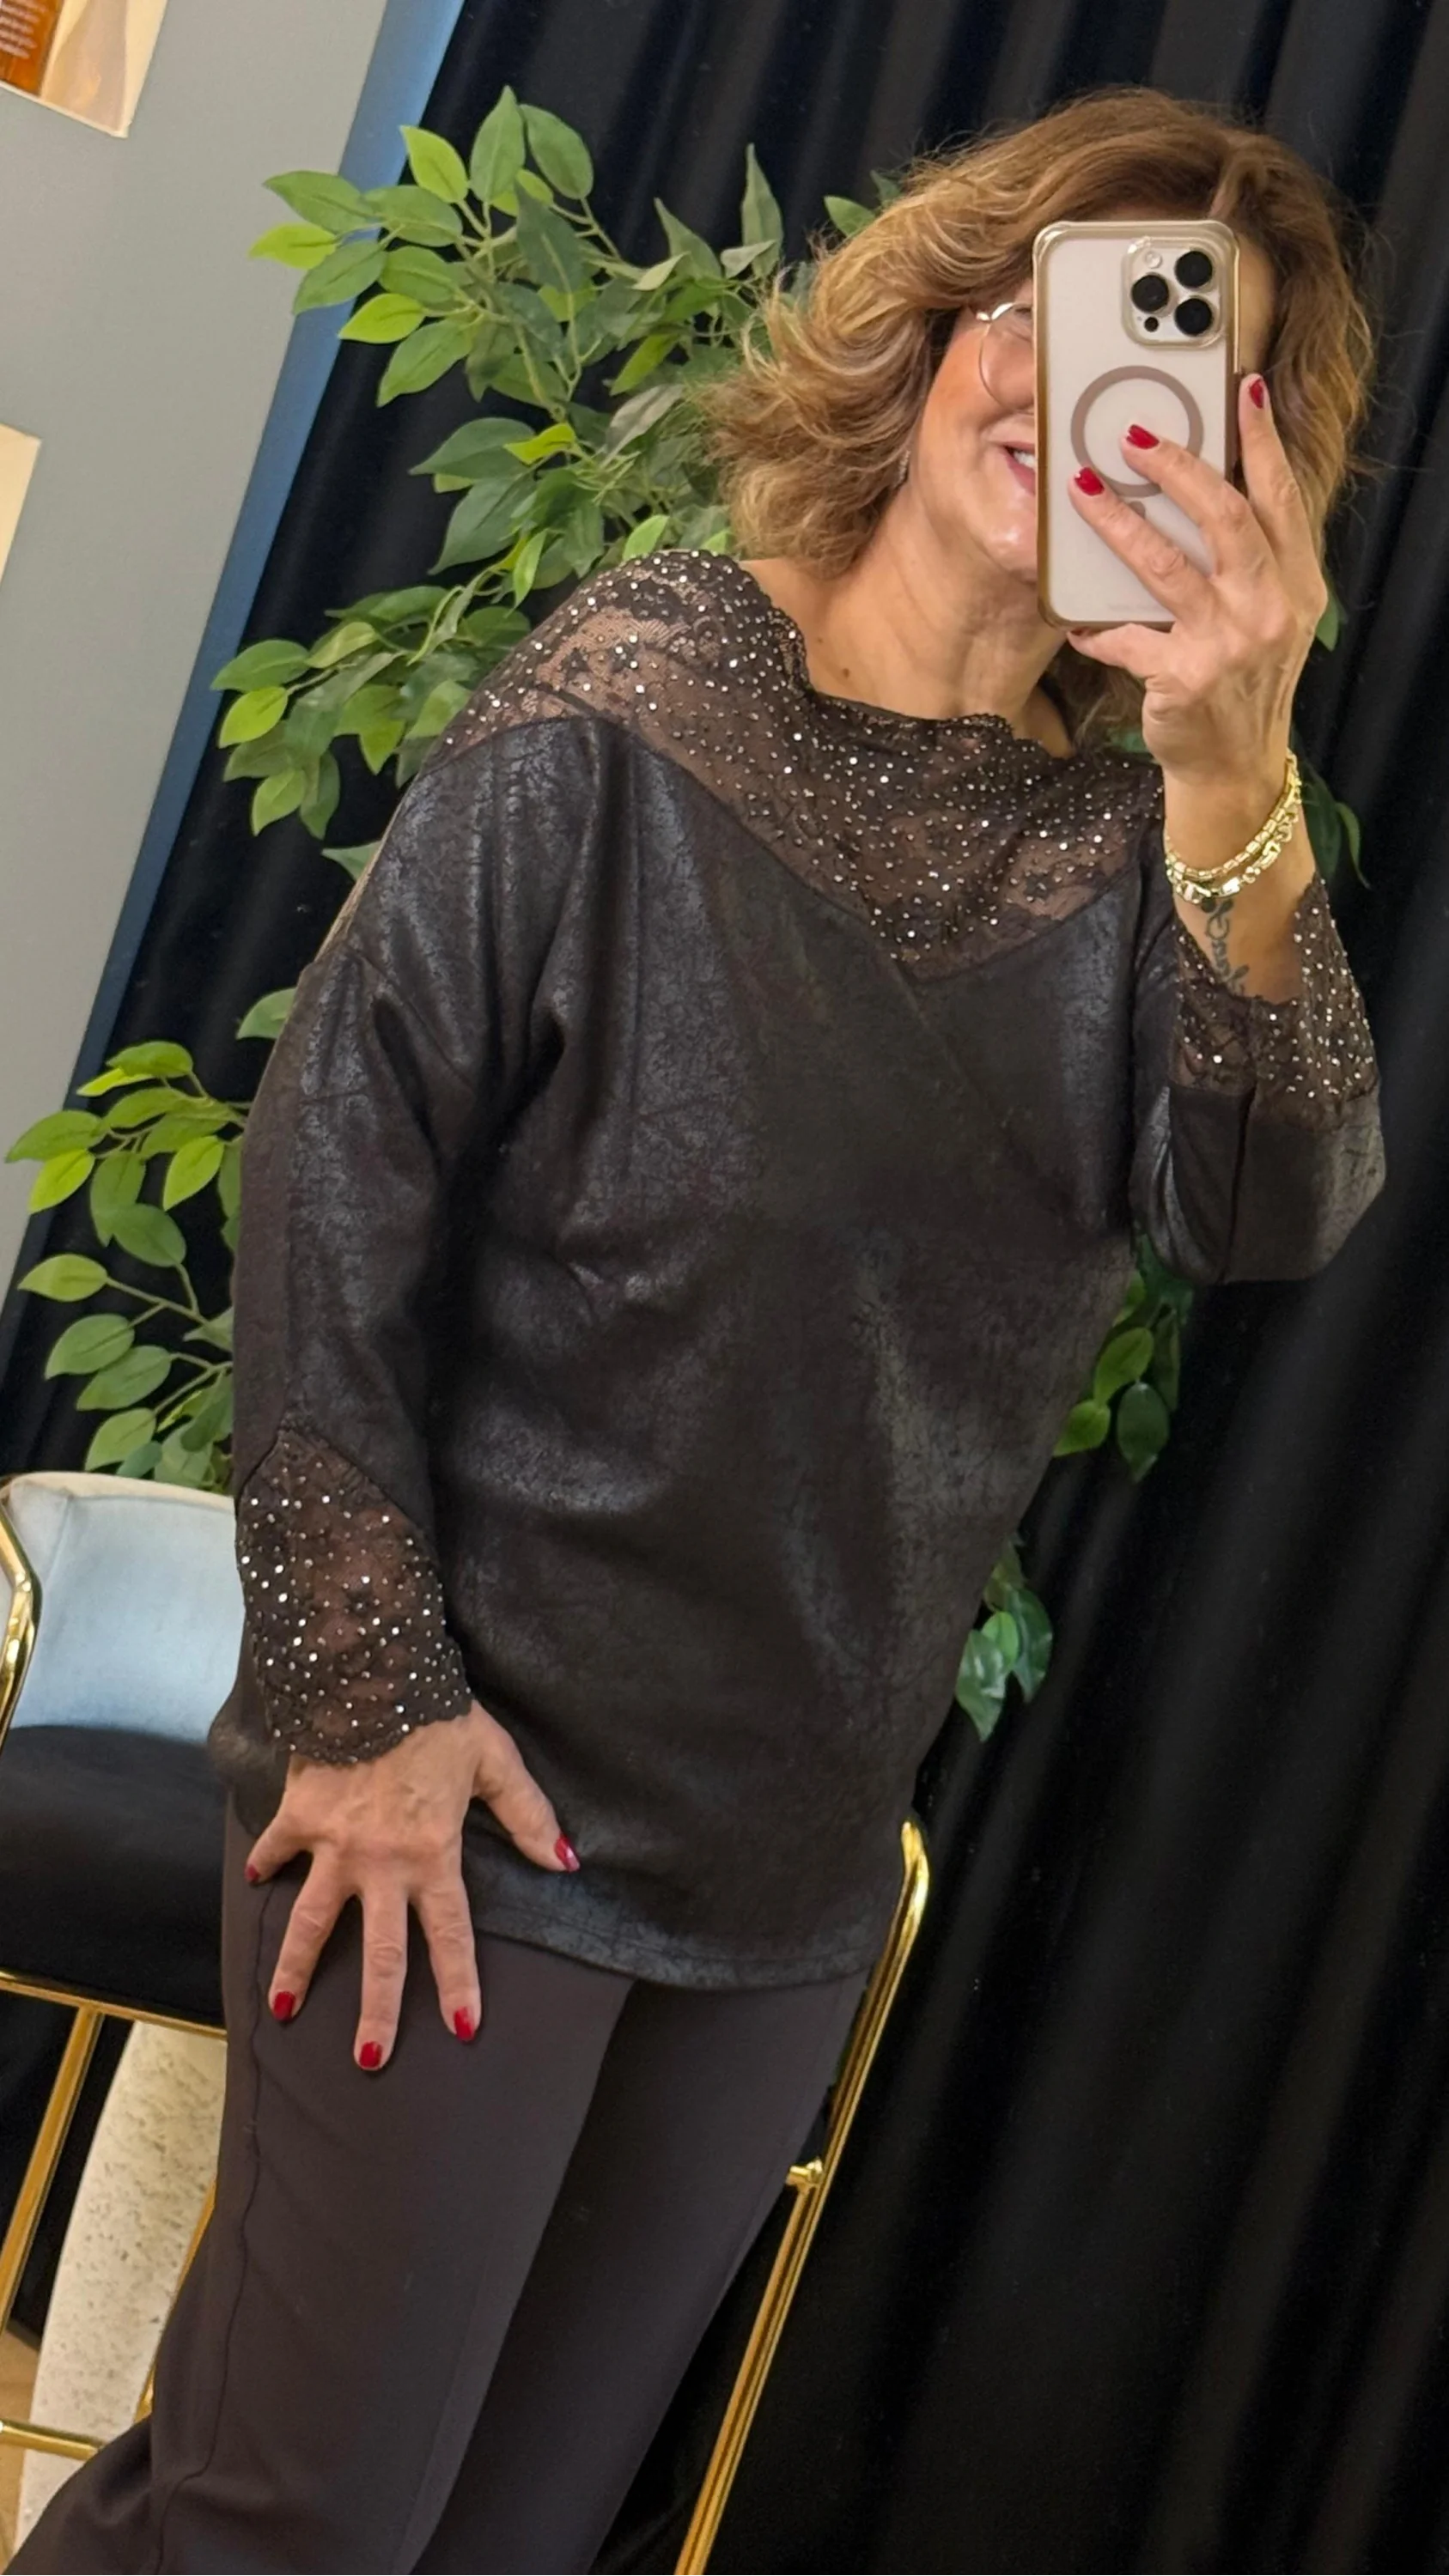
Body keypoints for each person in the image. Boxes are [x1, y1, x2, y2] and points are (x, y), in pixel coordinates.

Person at [13, 82, 1385, 2576]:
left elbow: (1268, 1204)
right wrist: (361, 1701)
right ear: (942, 324)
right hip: (468, 1802)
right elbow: (340, 1173)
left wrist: (1239, 770)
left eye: (1175, 359)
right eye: (1044, 305)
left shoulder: (1139, 865)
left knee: (505, 2545)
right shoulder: (635, 691)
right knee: (283, 2531)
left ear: (1245, 460)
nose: (1071, 385)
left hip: (777, 1889)